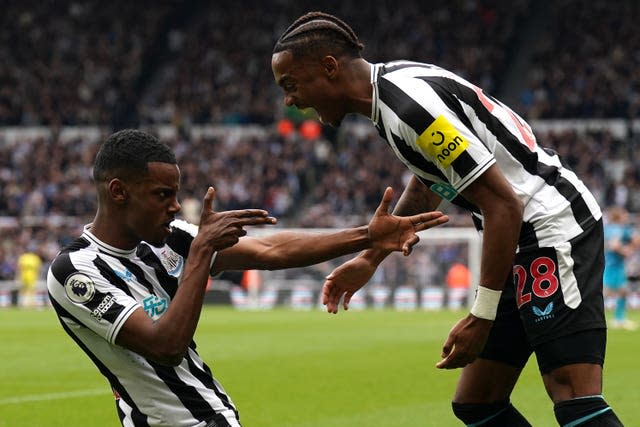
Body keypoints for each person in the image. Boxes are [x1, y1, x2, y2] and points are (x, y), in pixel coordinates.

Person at [271, 11, 623, 426]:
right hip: (517, 238)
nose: (289, 101)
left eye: (291, 85)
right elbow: (427, 183)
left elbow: (503, 204)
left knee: (572, 395)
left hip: (551, 228)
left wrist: (481, 313)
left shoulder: (408, 107)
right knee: (477, 402)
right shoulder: (390, 95)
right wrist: (370, 258)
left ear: (329, 67)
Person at [46, 129, 447, 427]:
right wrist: (202, 252)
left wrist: (366, 236)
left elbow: (270, 250)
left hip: (211, 416)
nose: (175, 206)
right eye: (162, 195)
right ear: (118, 192)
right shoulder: (76, 272)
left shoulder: (172, 240)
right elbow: (165, 346)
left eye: (176, 194)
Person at [603, 206, 639, 330]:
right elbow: (614, 245)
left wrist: (631, 247)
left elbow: (636, 239)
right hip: (613, 266)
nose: (627, 216)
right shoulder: (616, 229)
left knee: (621, 292)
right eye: (624, 214)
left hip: (614, 265)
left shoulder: (613, 228)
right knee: (607, 293)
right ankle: (617, 319)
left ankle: (619, 319)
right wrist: (626, 251)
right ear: (619, 216)